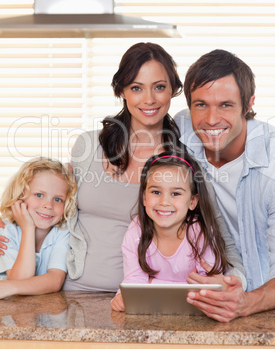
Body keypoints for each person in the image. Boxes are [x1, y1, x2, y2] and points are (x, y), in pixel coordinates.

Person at [0, 43, 245, 294]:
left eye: (159, 87)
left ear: (173, 90)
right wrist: (8, 225)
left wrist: (237, 281)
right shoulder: (88, 146)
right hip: (70, 294)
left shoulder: (184, 164)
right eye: (136, 88)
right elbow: (49, 201)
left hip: (142, 300)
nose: (149, 99)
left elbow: (222, 242)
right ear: (121, 92)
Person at [174, 49, 275, 322]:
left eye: (226, 105)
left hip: (267, 300)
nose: (211, 119)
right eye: (201, 104)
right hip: (211, 290)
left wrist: (245, 303)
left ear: (248, 104)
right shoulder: (181, 130)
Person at [111, 151, 235, 312]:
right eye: (156, 192)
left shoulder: (200, 234)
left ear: (192, 201)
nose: (164, 202)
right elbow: (134, 282)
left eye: (175, 193)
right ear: (144, 198)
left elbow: (206, 288)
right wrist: (123, 297)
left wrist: (151, 283)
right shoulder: (136, 230)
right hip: (151, 314)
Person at [0, 157, 77, 298]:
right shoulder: (7, 230)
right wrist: (28, 229)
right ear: (20, 197)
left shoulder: (62, 232)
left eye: (58, 199)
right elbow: (21, 279)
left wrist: (7, 287)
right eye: (39, 195)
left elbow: (55, 280)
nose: (48, 205)